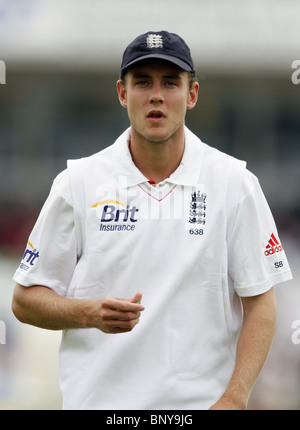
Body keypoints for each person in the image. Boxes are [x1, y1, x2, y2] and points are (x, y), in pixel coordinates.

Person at [12, 30, 292, 410]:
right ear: (122, 93)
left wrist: (235, 397)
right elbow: (25, 300)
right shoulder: (77, 183)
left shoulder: (234, 183)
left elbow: (261, 304)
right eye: (142, 82)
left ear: (192, 95)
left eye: (170, 82)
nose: (156, 95)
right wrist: (89, 313)